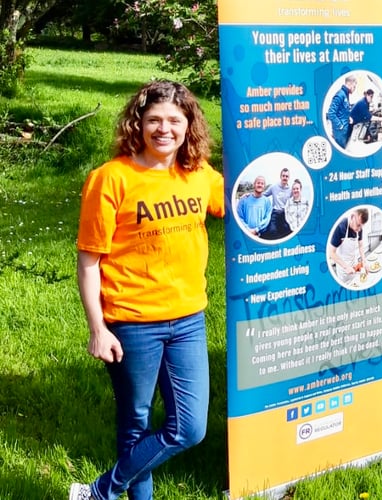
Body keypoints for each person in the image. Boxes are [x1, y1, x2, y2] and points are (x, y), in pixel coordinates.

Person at [70, 80, 224, 500]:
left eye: (175, 120)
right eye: (154, 119)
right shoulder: (111, 178)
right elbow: (88, 261)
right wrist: (97, 329)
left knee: (189, 428)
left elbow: (241, 199)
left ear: (188, 124)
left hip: (189, 318)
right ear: (137, 123)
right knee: (135, 421)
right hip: (132, 322)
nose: (164, 129)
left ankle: (101, 491)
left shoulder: (198, 173)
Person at [327, 208, 369, 285]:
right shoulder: (340, 227)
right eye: (358, 225)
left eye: (361, 227)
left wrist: (364, 261)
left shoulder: (359, 229)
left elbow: (361, 245)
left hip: (354, 265)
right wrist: (346, 267)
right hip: (343, 269)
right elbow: (331, 252)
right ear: (352, 216)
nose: (359, 229)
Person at [327, 75, 357, 148]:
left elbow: (343, 110)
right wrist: (340, 126)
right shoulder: (340, 95)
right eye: (354, 87)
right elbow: (331, 113)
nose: (355, 89)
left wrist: (348, 117)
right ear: (350, 84)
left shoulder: (345, 95)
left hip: (343, 131)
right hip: (339, 133)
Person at [261, 167, 292, 239]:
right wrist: (249, 195)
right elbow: (263, 195)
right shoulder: (274, 187)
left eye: (286, 176)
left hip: (285, 213)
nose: (285, 178)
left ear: (289, 178)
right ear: (280, 176)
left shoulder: (290, 190)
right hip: (275, 212)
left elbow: (296, 199)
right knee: (272, 231)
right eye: (283, 176)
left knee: (287, 230)